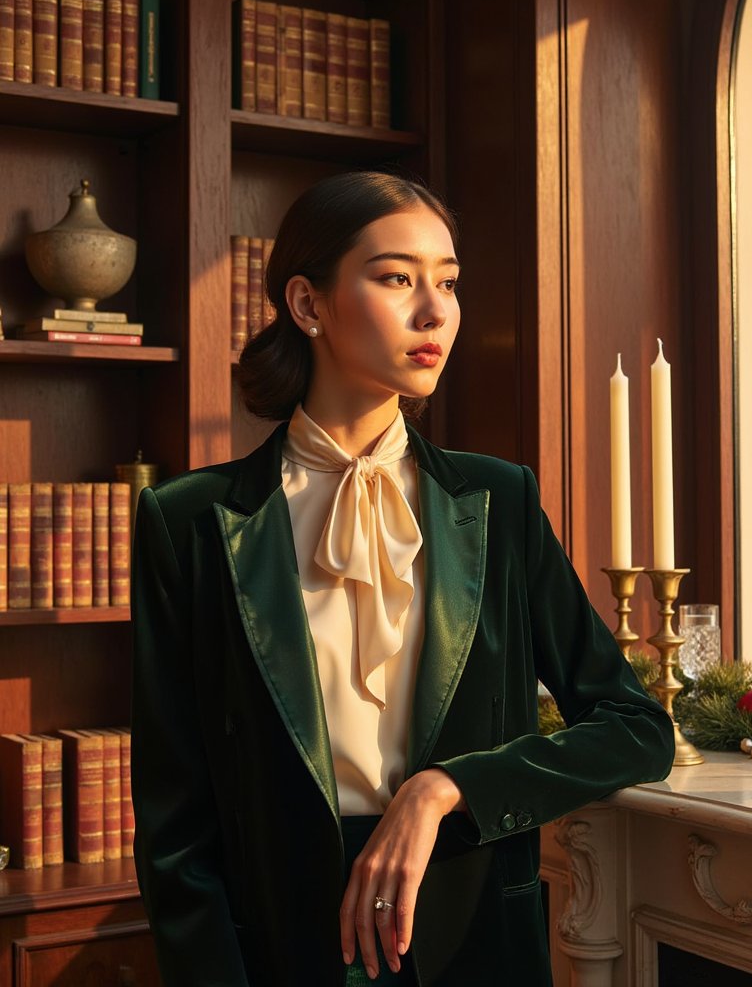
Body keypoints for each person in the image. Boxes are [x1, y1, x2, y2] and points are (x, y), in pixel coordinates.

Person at [131, 171, 675, 987]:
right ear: (309, 304)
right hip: (280, 947)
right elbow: (176, 825)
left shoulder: (499, 501)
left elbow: (636, 727)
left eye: (448, 283)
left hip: (472, 938)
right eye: (396, 278)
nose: (435, 312)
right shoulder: (190, 524)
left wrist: (447, 788)